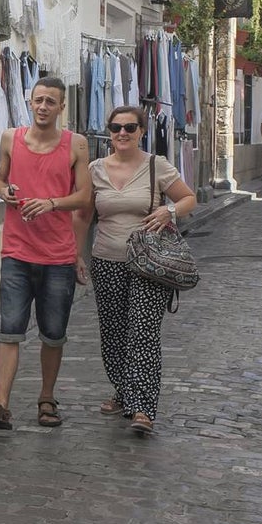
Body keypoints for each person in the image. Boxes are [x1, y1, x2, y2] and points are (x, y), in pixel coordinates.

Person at [0, 77, 91, 430]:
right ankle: (0, 404)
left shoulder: (75, 145)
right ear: (29, 101)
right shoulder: (10, 138)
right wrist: (6, 192)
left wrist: (51, 203)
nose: (43, 107)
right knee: (10, 330)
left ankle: (46, 399)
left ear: (61, 107)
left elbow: (84, 197)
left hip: (57, 256)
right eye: (38, 100)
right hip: (17, 251)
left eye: (51, 101)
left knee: (53, 333)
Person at [73, 105, 197, 435]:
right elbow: (84, 216)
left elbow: (188, 199)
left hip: (149, 265)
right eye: (116, 128)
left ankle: (142, 408)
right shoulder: (95, 169)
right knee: (113, 333)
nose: (122, 133)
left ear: (142, 131)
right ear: (109, 132)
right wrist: (76, 254)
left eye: (130, 127)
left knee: (142, 332)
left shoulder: (157, 166)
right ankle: (124, 389)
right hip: (106, 261)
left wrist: (169, 211)